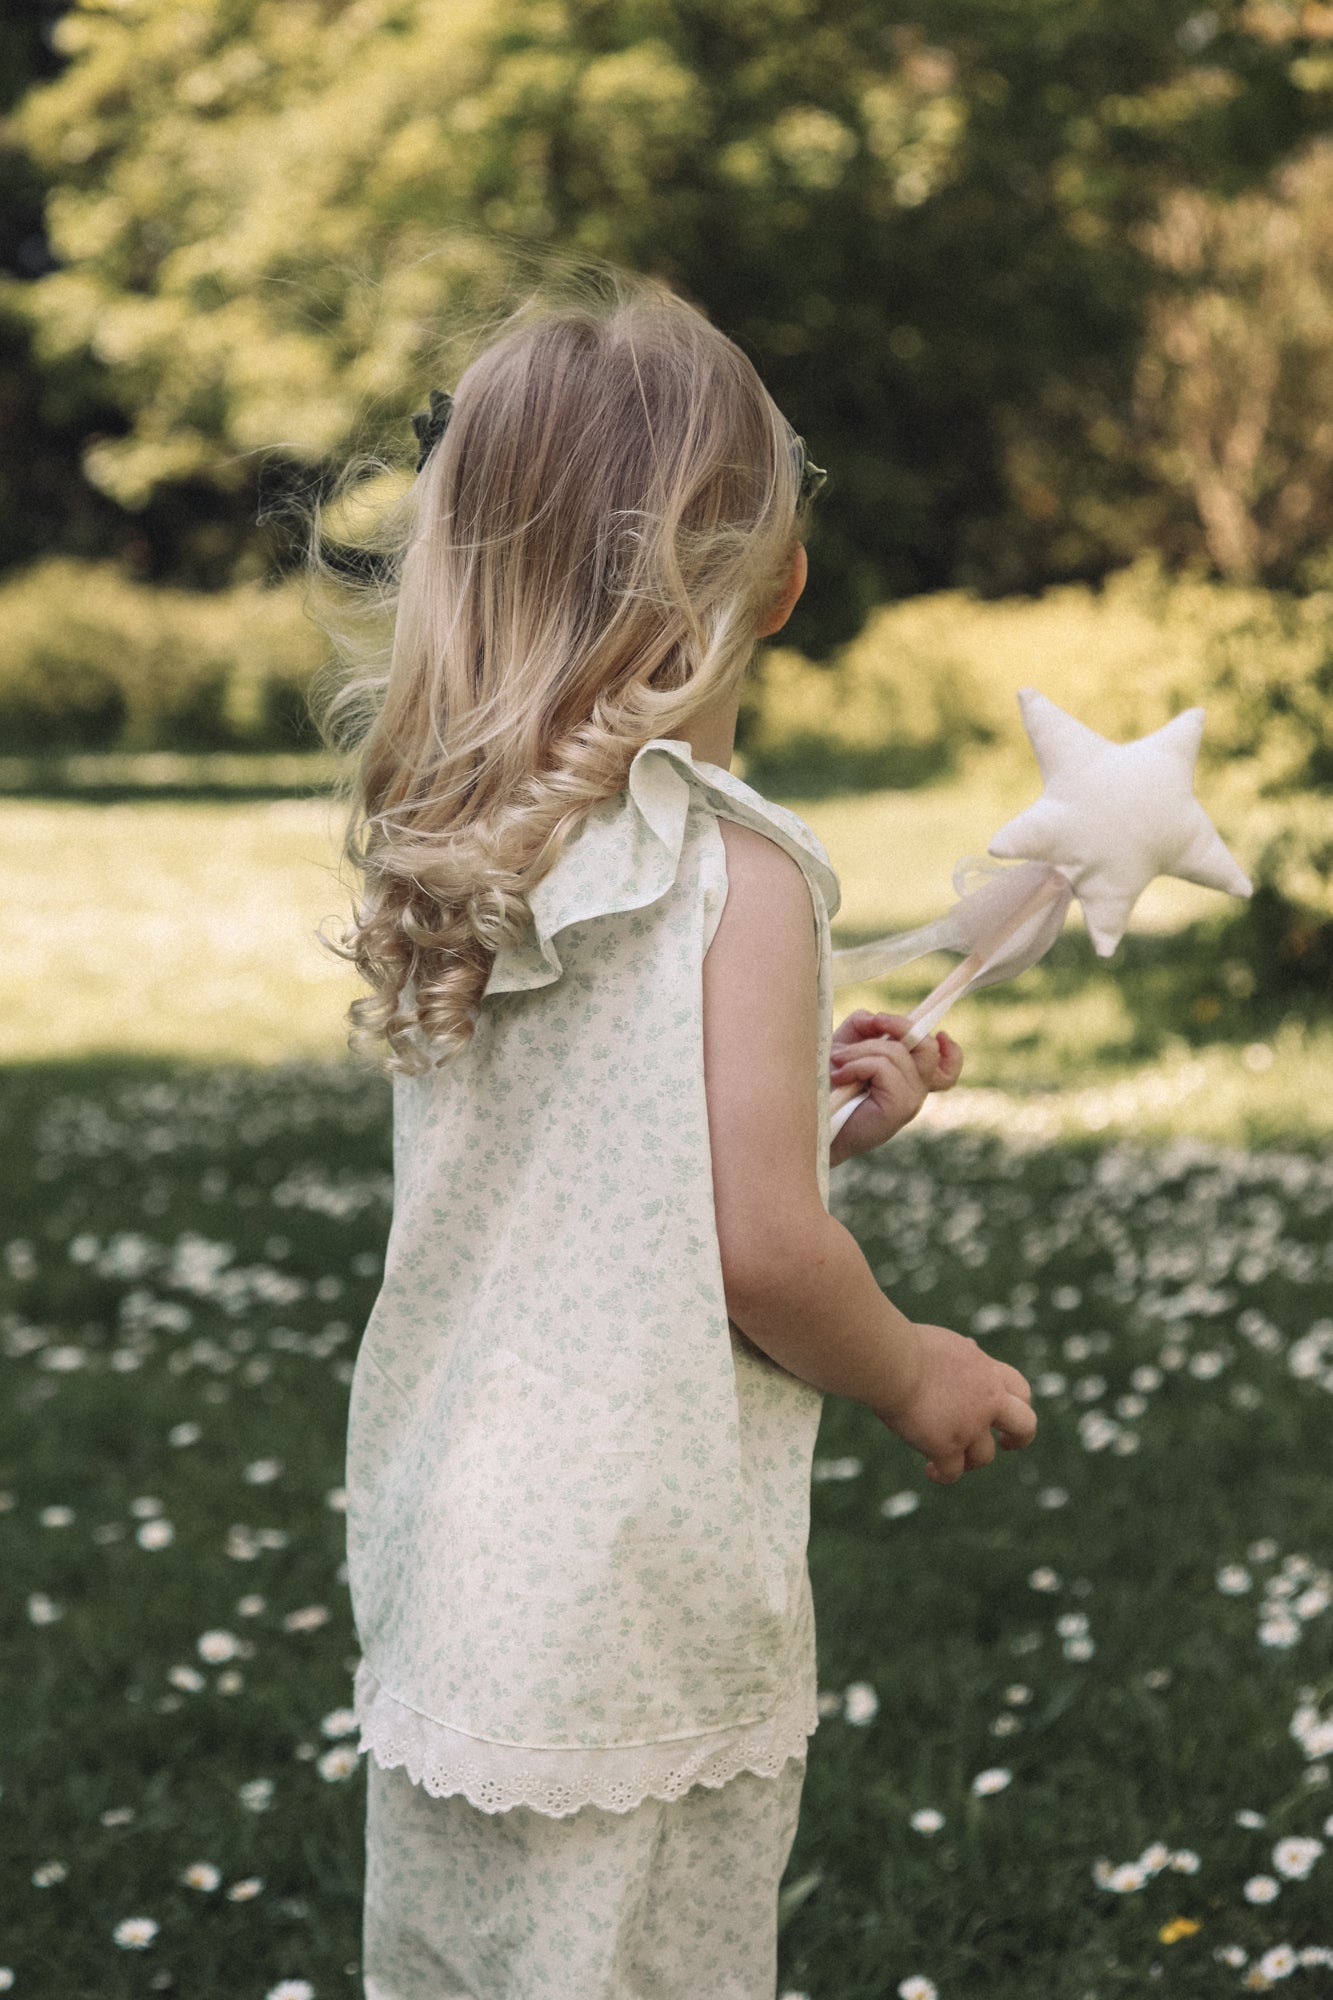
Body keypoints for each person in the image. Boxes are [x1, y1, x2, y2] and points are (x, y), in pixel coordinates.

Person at [322, 273, 1037, 2000]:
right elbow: (758, 1250)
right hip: (633, 1590)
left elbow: (610, 1191)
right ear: (777, 581)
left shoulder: (459, 848)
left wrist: (812, 1123)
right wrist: (911, 1368)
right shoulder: (742, 870)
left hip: (459, 1557)